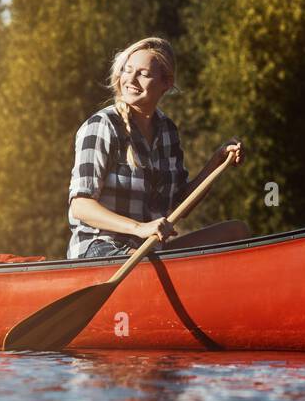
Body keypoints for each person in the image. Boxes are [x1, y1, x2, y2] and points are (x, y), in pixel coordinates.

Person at [67, 36, 248, 259]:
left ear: (166, 83)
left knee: (236, 232)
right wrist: (140, 228)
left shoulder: (167, 131)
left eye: (143, 74)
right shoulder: (102, 126)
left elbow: (181, 204)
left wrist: (217, 162)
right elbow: (81, 206)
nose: (130, 79)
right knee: (144, 260)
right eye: (127, 70)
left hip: (149, 251)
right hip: (100, 247)